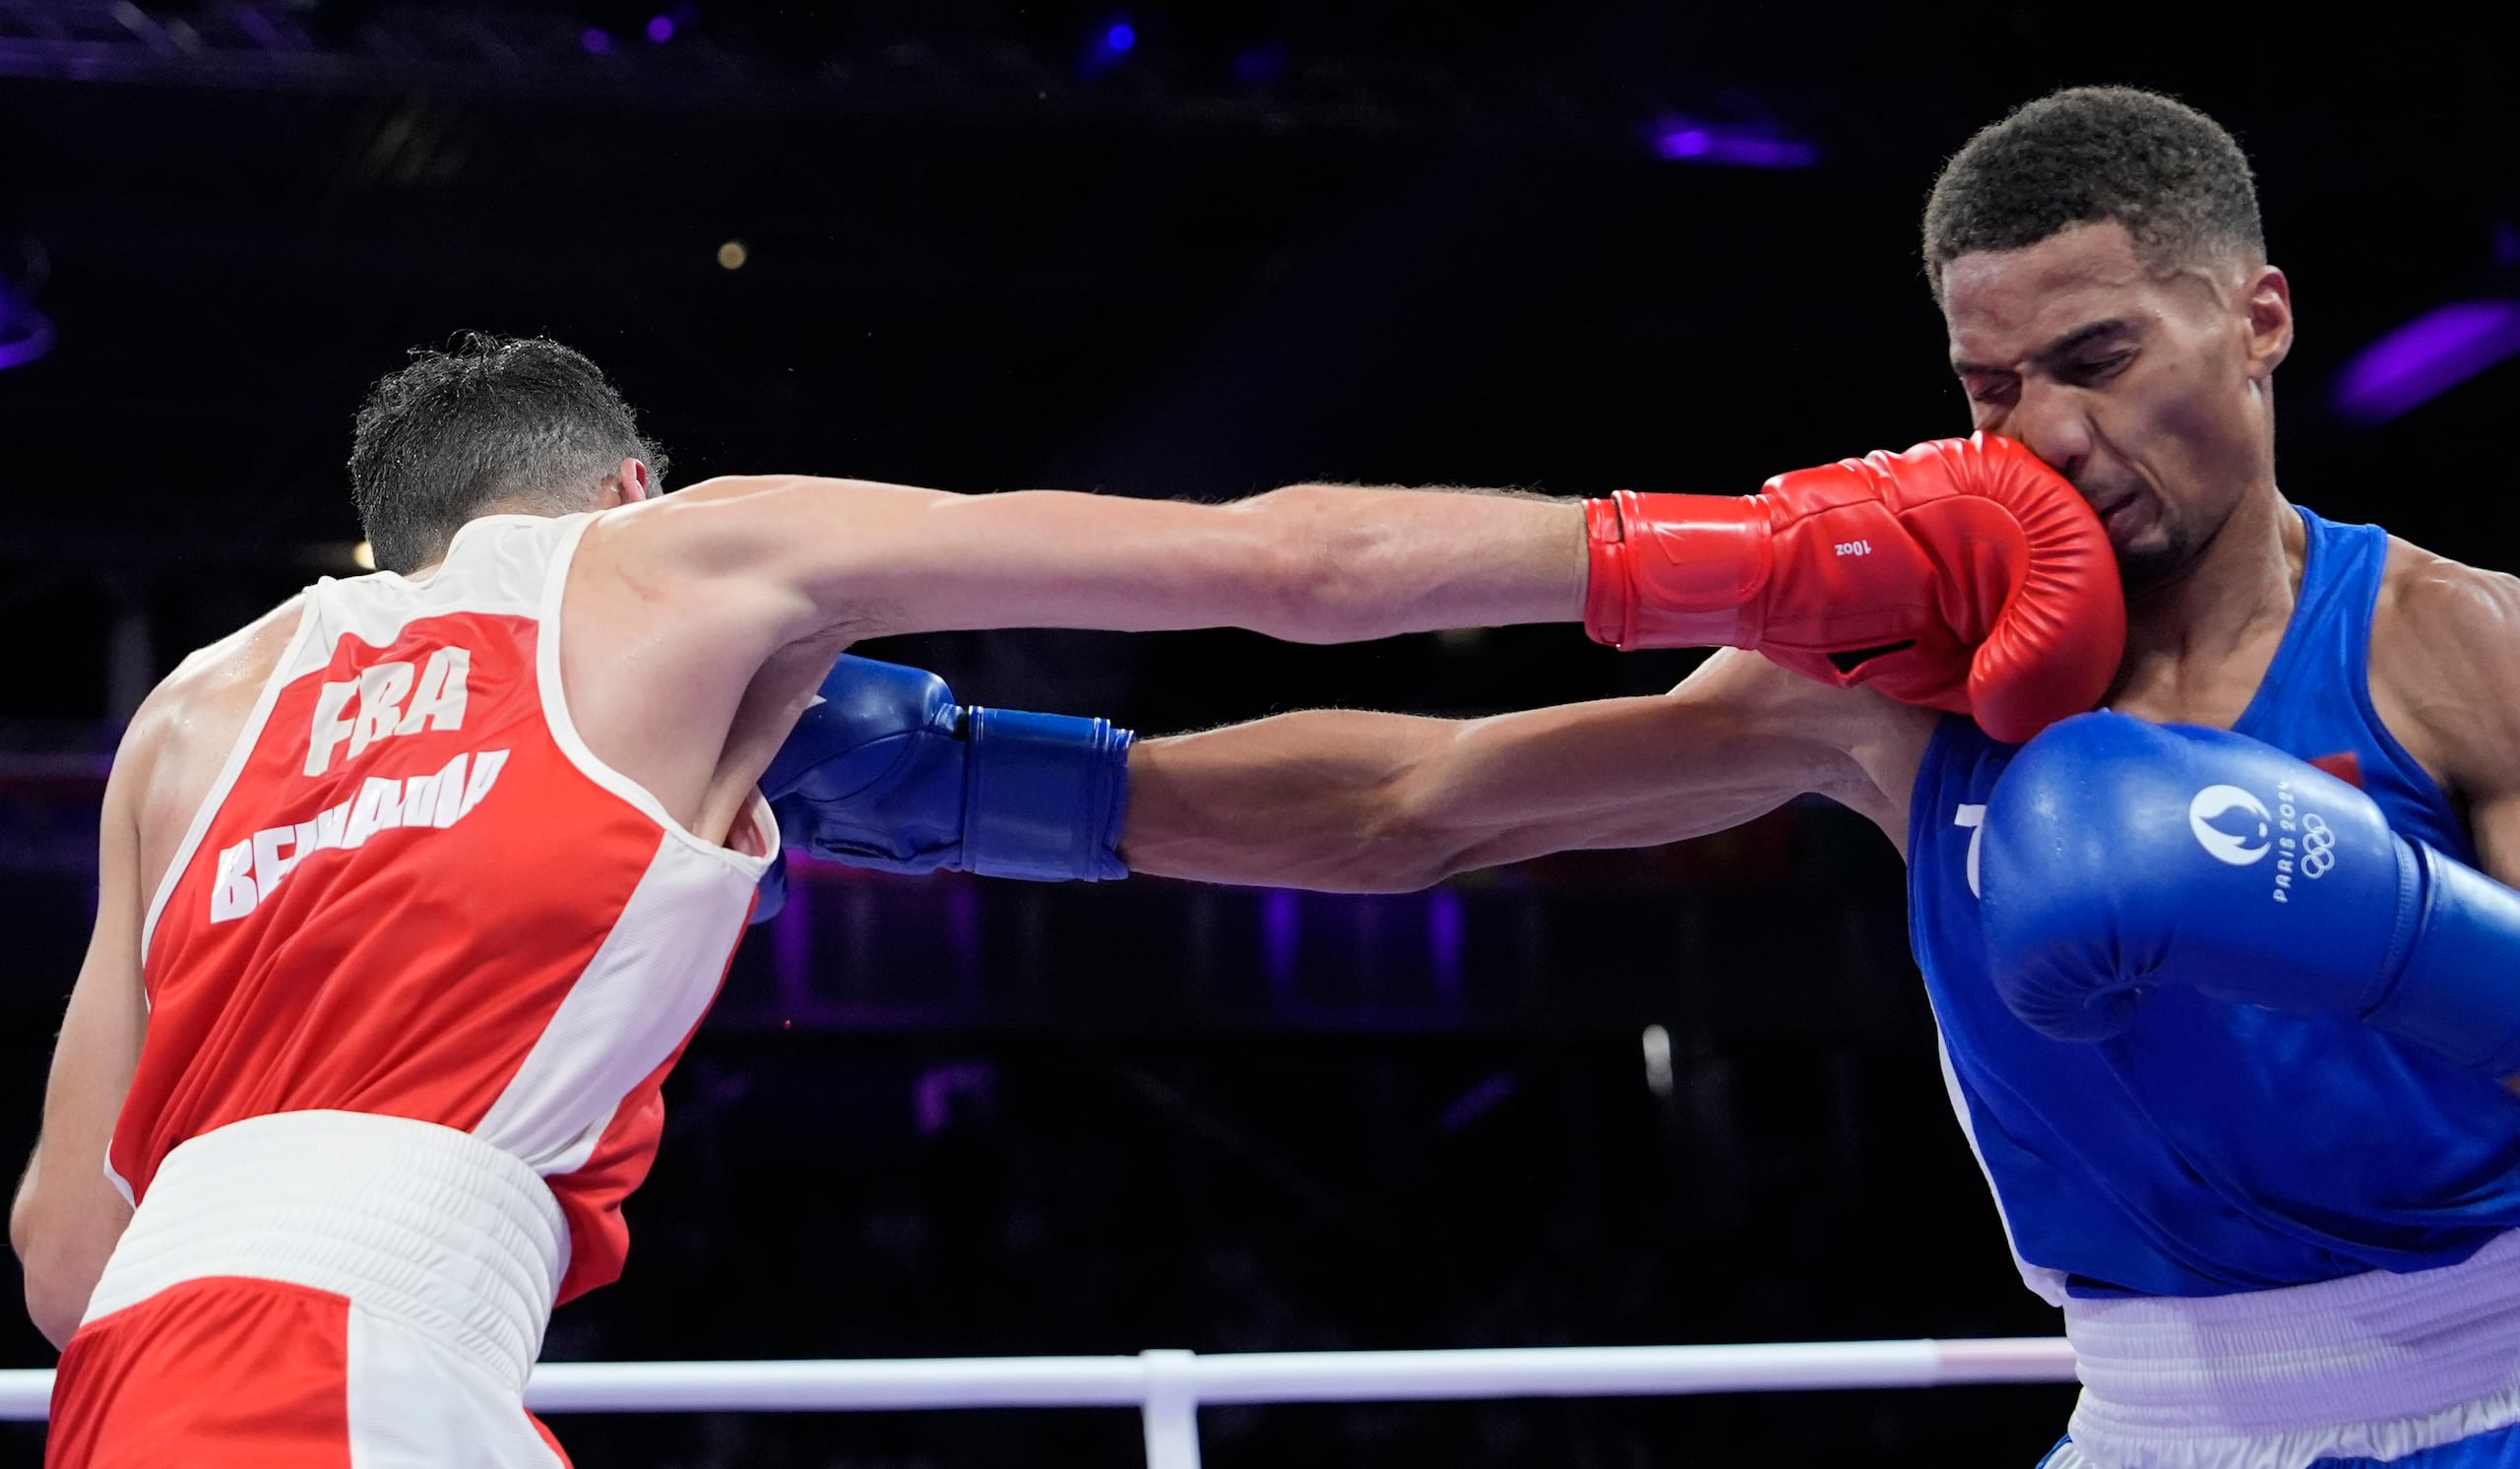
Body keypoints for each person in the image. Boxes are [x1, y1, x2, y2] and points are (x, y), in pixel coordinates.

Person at [8, 333, 2107, 1464]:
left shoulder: (200, 707)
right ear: (628, 487)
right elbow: (1287, 572)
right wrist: (1779, 554)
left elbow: (61, 1247)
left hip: (158, 1390)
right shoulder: (684, 569)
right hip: (338, 1381)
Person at [1120, 87, 2520, 1469]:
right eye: (1994, 389)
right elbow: (1422, 801)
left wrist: (2384, 933)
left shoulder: (2458, 647)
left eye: (2098, 359)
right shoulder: (1903, 686)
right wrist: (996, 794)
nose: (2048, 438)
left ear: (2259, 321)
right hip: (2149, 1423)